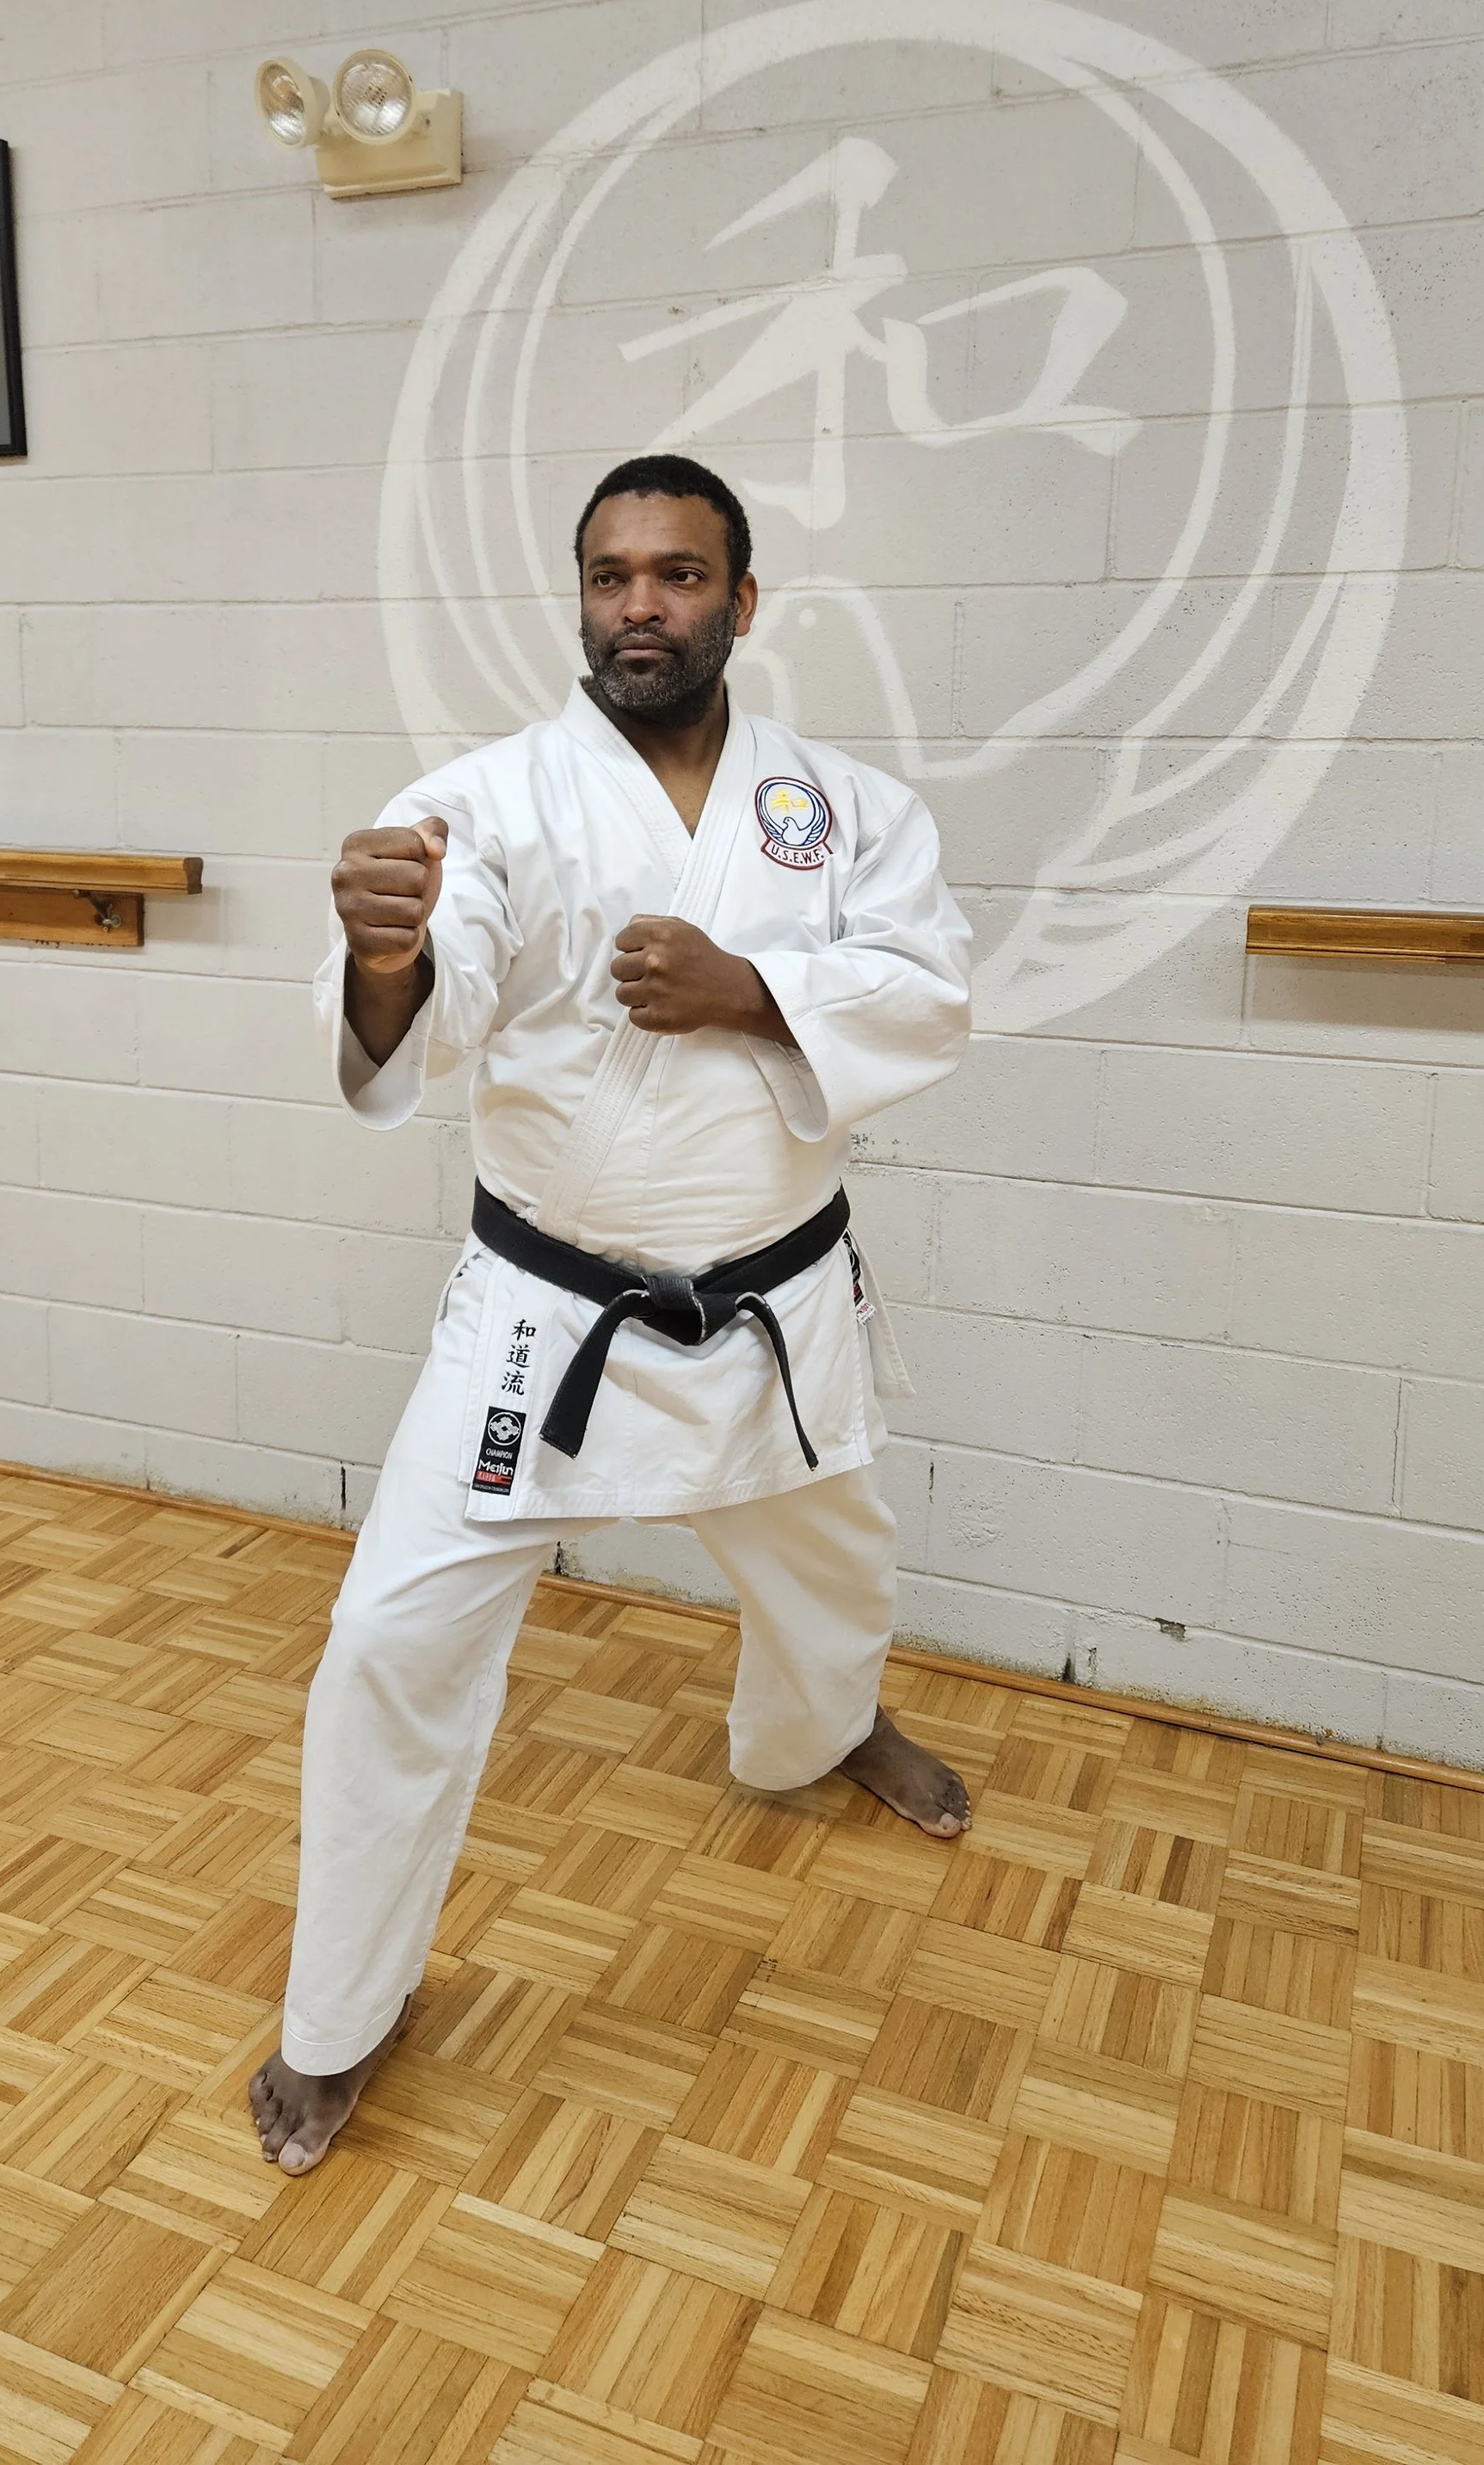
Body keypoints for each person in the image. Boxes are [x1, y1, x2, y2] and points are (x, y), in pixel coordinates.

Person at [249, 453, 975, 2175]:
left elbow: (930, 986)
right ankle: (340, 2014)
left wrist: (752, 989)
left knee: (834, 1564)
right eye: (608, 575)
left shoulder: (843, 807)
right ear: (579, 596)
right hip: (543, 1314)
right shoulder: (490, 797)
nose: (637, 603)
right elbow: (451, 974)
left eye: (674, 572)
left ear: (739, 598)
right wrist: (382, 956)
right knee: (387, 1643)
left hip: (774, 1297)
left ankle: (817, 1727)